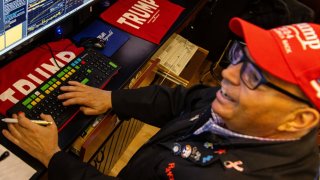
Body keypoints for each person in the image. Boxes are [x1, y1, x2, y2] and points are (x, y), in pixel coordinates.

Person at [2, 17, 320, 180]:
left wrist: (54, 158)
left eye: (253, 76)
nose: (228, 74)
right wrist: (112, 99)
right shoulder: (243, 109)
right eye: (241, 58)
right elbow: (181, 100)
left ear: (301, 119)